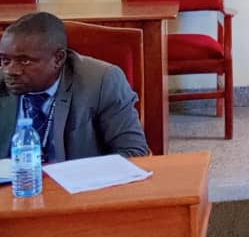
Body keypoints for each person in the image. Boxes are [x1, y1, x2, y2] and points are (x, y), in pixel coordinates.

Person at [0, 12, 149, 162]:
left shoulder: (101, 82)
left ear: (58, 59)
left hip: (81, 176)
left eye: (25, 61)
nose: (10, 71)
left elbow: (134, 153)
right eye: (5, 60)